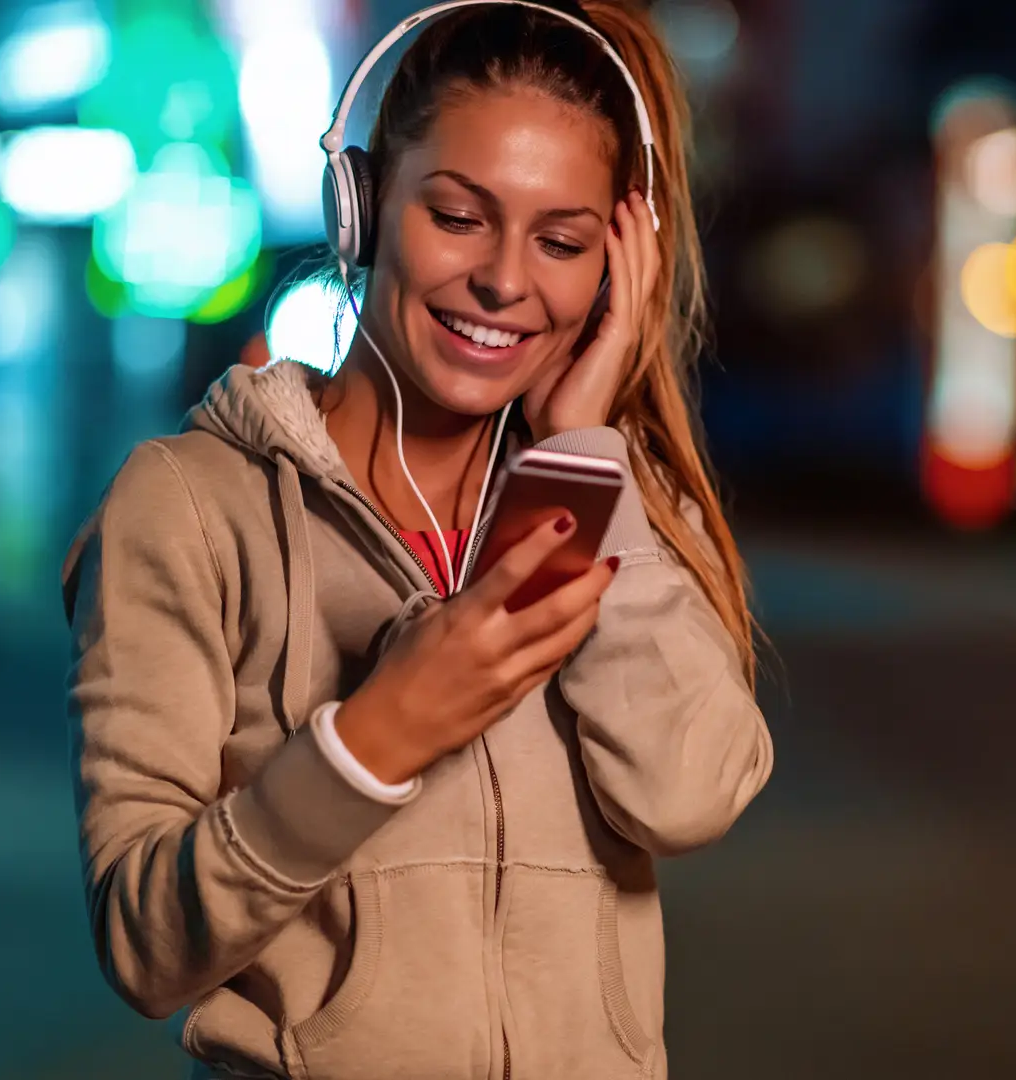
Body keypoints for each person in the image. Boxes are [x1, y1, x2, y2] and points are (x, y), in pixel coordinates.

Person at [60, 2, 772, 1077]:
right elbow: (145, 944)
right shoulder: (188, 508)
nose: (505, 281)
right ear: (363, 205)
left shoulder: (624, 503)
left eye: (563, 241)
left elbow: (690, 794)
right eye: (458, 216)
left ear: (615, 269)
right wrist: (374, 738)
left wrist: (582, 459)